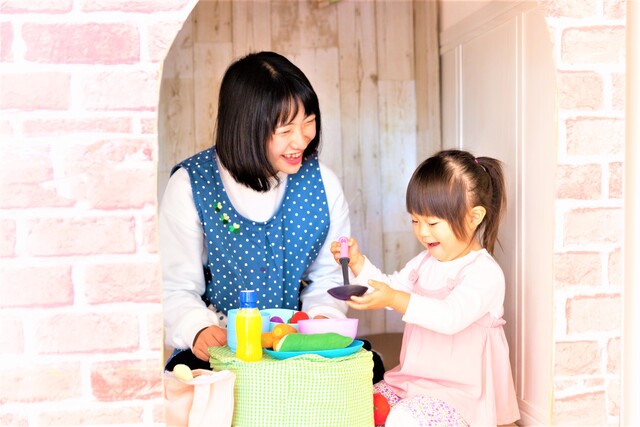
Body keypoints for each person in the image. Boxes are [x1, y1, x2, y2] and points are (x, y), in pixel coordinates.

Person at [160, 51, 352, 370]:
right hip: (221, 347)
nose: (301, 140)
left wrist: (321, 321)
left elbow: (329, 276)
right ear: (245, 128)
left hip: (294, 349)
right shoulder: (191, 184)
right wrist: (197, 328)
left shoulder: (323, 184)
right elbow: (175, 285)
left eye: (309, 122)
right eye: (285, 130)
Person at [331, 149, 520, 426]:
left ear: (474, 217)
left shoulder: (484, 272)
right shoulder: (424, 262)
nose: (422, 231)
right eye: (415, 220)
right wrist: (358, 264)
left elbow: (449, 317)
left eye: (432, 222)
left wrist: (395, 298)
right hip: (413, 383)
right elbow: (388, 289)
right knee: (359, 404)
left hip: (460, 396)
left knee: (403, 418)